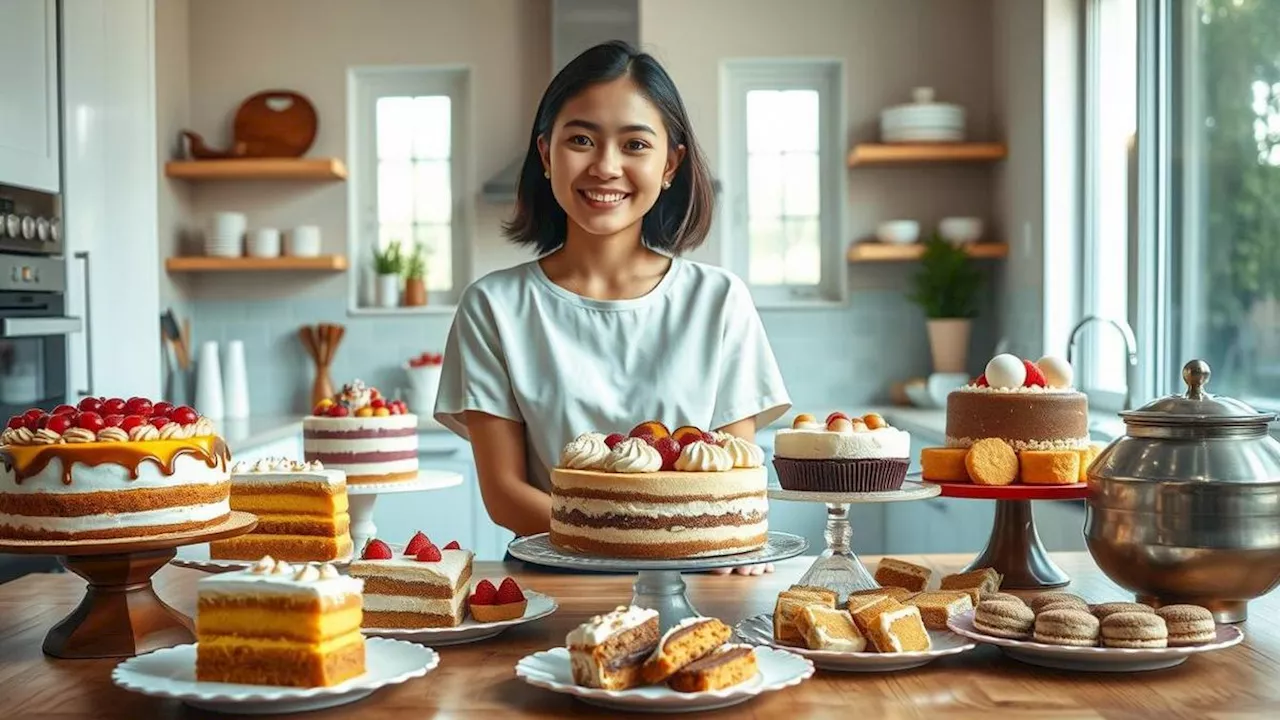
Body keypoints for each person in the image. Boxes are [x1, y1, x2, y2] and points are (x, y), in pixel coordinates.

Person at [434, 41, 790, 575]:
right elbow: (506, 494)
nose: (605, 166)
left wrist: (700, 551)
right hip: (553, 585)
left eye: (635, 144)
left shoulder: (718, 301)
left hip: (691, 583)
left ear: (670, 164)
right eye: (580, 139)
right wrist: (645, 545)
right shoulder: (493, 307)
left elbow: (731, 483)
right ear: (546, 153)